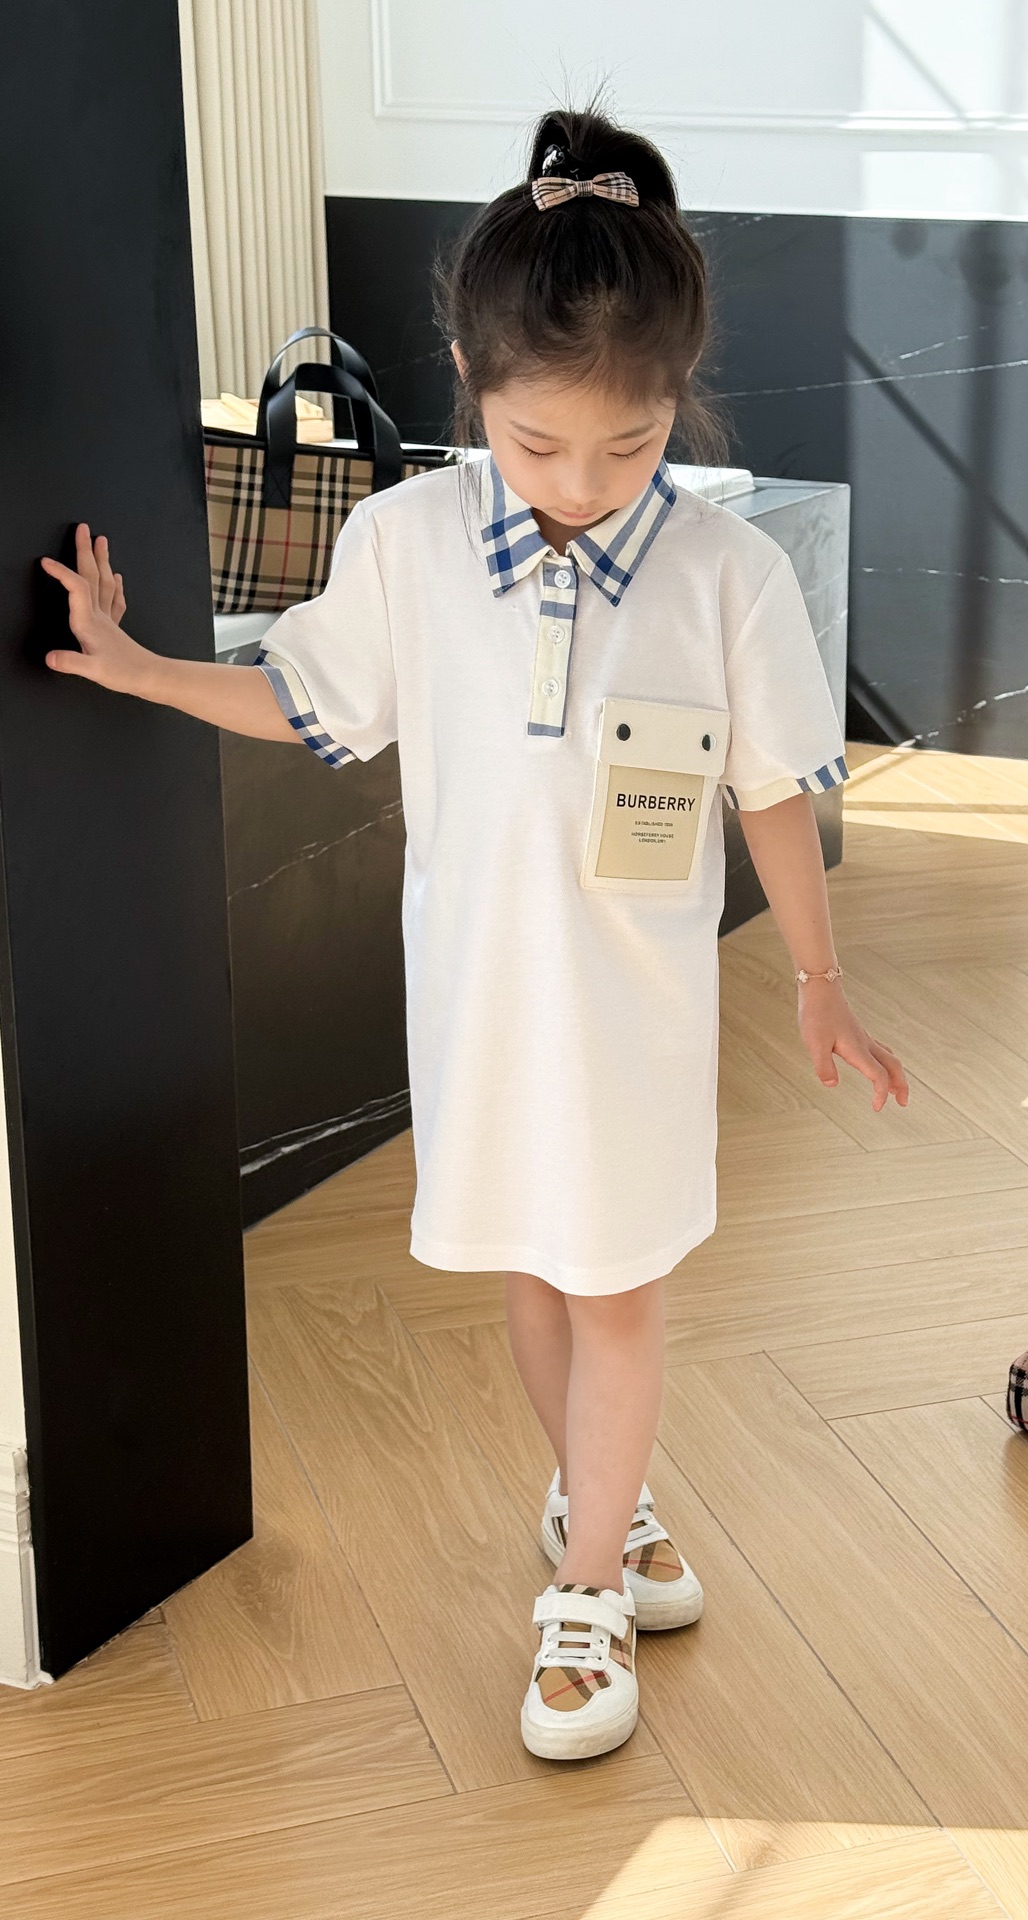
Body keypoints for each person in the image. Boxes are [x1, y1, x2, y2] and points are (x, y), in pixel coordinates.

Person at [40, 106, 908, 1763]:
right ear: (466, 379)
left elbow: (774, 792)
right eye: (536, 444)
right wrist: (143, 669)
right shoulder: (405, 543)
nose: (581, 486)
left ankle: (583, 1598)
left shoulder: (725, 573)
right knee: (534, 1269)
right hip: (480, 1004)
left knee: (621, 1289)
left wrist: (818, 980)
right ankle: (604, 1502)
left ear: (679, 400)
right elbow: (312, 704)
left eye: (628, 448)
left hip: (639, 1014)